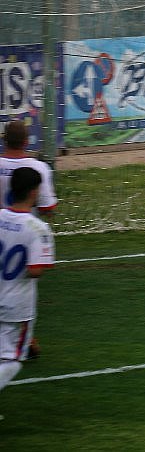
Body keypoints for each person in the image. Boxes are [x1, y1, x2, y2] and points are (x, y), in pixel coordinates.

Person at [0, 119, 57, 361]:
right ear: (27, 140)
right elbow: (48, 207)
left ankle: (21, 337)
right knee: (22, 286)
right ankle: (23, 338)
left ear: (4, 140)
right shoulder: (39, 169)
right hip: (25, 233)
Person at [0, 167, 56, 415]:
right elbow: (35, 270)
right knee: (12, 360)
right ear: (35, 192)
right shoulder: (37, 228)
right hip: (16, 306)